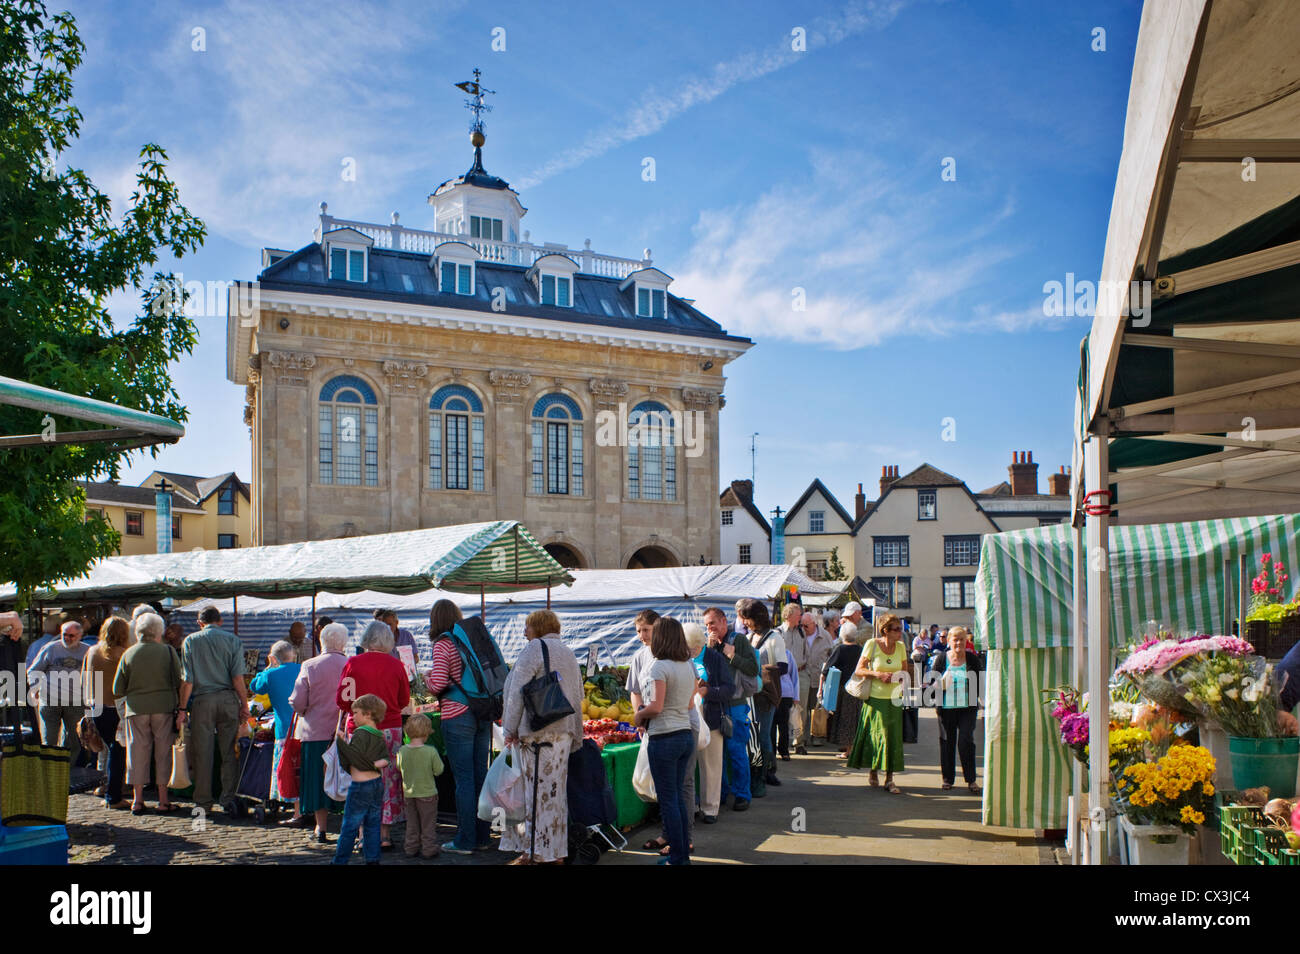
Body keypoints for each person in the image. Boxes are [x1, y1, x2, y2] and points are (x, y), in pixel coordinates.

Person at [500, 609, 583, 864]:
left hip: (539, 734)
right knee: (555, 795)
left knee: (536, 796)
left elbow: (516, 693)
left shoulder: (534, 648)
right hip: (563, 734)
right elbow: (578, 697)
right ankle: (555, 852)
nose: (524, 631)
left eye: (527, 626)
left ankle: (535, 851)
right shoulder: (568, 652)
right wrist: (576, 735)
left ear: (537, 627)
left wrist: (509, 729)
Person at [336, 620, 410, 849]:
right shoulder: (397, 665)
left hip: (360, 730)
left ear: (366, 639)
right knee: (388, 780)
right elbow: (403, 700)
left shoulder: (352, 664)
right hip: (391, 728)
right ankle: (384, 834)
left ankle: (363, 834)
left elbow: (342, 699)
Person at [425, 598, 490, 855]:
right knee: (479, 776)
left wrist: (428, 679)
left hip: (458, 714)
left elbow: (439, 683)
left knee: (464, 780)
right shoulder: (469, 640)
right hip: (482, 712)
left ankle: (465, 840)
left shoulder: (443, 643)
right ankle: (483, 835)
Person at [635, 616, 698, 865]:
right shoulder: (687, 665)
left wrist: (639, 714)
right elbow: (690, 701)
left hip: (665, 737)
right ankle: (681, 854)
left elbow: (656, 707)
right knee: (679, 799)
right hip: (684, 734)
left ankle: (678, 857)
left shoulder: (659, 667)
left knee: (669, 800)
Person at [179, 607, 249, 814]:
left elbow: (187, 680)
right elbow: (238, 678)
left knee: (203, 752)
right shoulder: (233, 640)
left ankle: (203, 801)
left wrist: (182, 708)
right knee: (229, 752)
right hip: (228, 699)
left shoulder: (191, 641)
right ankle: (228, 797)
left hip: (202, 700)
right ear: (220, 621)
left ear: (199, 622)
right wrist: (244, 705)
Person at [114, 612, 181, 815]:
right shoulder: (168, 652)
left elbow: (118, 688)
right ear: (159, 631)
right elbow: (178, 681)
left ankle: (137, 800)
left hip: (136, 709)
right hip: (163, 707)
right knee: (163, 754)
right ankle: (163, 800)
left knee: (137, 753)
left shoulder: (129, 653)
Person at [289, 621, 349, 843]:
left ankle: (320, 828)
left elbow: (297, 701)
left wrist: (305, 710)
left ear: (321, 640)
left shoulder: (309, 665)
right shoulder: (351, 664)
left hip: (314, 731)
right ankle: (348, 827)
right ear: (344, 642)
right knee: (345, 778)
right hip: (344, 731)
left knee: (317, 780)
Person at [848, 613, 908, 792]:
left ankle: (890, 778)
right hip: (875, 699)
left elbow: (905, 673)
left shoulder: (901, 647)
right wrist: (878, 674)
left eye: (900, 629)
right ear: (885, 631)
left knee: (893, 738)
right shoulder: (872, 644)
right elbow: (859, 670)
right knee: (877, 736)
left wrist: (898, 678)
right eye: (896, 629)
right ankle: (873, 770)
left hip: (894, 699)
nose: (900, 633)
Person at [704, 606, 756, 811]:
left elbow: (753, 669)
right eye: (707, 624)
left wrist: (733, 656)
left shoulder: (739, 641)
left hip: (735, 705)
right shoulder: (708, 645)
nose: (710, 628)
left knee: (736, 751)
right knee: (718, 754)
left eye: (713, 623)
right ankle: (721, 793)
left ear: (724, 621)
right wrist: (707, 652)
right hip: (715, 706)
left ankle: (742, 794)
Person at [331, 693, 391, 865]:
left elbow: (354, 759)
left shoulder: (360, 734)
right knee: (372, 825)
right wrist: (375, 764)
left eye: (355, 712)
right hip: (376, 785)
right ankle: (373, 859)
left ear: (368, 714)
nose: (353, 716)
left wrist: (341, 742)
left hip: (360, 786)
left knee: (350, 826)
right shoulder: (379, 735)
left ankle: (339, 861)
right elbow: (385, 760)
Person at [249, 640, 304, 823]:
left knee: (288, 770)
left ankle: (297, 811)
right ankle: (303, 808)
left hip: (284, 730)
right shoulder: (303, 669)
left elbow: (255, 686)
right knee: (302, 769)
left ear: (274, 657)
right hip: (305, 728)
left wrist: (269, 666)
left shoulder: (271, 674)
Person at [82, 616, 131, 809]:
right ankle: (114, 796)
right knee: (117, 752)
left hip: (96, 707)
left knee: (105, 751)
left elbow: (84, 681)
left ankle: (104, 788)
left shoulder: (92, 651)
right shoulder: (125, 654)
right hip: (118, 708)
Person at [686, 620, 732, 825]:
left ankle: (710, 808)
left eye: (690, 648)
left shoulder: (715, 658)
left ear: (698, 645)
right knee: (690, 765)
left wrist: (708, 691)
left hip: (711, 716)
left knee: (711, 765)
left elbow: (729, 689)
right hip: (688, 717)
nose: (687, 651)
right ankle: (692, 805)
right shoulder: (683, 659)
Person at [737, 597, 786, 787]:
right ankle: (758, 770)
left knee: (763, 734)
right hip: (750, 694)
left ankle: (768, 771)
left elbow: (783, 667)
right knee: (753, 735)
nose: (744, 622)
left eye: (746, 618)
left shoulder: (775, 637)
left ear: (756, 617)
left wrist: (758, 670)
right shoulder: (749, 637)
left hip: (766, 694)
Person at [29, 620, 89, 767]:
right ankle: (48, 772)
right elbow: (33, 670)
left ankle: (66, 771)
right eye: (64, 635)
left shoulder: (88, 651)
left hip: (75, 702)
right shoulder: (50, 648)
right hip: (50, 700)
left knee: (73, 740)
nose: (67, 638)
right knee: (49, 740)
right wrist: (35, 688)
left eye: (72, 635)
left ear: (80, 635)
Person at [931, 626, 983, 793]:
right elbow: (932, 684)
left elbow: (981, 684)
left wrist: (984, 701)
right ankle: (947, 779)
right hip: (946, 708)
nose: (958, 642)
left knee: (966, 740)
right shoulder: (941, 659)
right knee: (947, 742)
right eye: (955, 639)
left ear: (966, 641)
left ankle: (971, 780)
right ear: (949, 641)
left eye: (961, 639)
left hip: (967, 708)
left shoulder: (972, 659)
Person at [397, 713, 445, 859]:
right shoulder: (430, 751)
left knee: (412, 823)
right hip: (428, 793)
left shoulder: (402, 750)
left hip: (409, 794)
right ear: (426, 733)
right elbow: (439, 770)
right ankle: (428, 848)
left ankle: (411, 847)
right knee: (428, 823)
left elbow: (399, 767)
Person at [824, 619, 865, 758]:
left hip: (844, 689)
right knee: (856, 720)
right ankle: (853, 749)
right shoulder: (861, 650)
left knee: (845, 720)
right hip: (858, 688)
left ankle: (848, 751)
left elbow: (827, 669)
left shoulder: (840, 649)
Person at [800, 611, 835, 751]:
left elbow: (831, 654)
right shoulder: (799, 634)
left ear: (814, 624)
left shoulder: (825, 636)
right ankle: (802, 736)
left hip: (818, 676)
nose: (803, 627)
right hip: (803, 675)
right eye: (801, 625)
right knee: (802, 709)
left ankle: (817, 736)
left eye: (806, 625)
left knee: (817, 708)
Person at [779, 603, 803, 758]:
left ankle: (786, 749)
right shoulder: (779, 632)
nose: (800, 617)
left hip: (787, 690)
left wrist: (796, 696)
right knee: (775, 722)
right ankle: (775, 749)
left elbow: (794, 674)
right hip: (774, 691)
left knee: (784, 722)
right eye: (798, 614)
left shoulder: (801, 632)